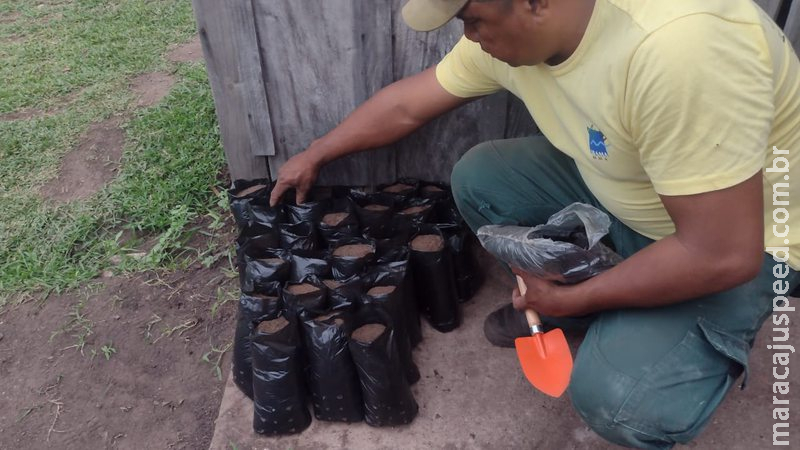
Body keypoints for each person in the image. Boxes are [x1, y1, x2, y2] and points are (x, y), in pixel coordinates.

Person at [269, 0, 800, 448]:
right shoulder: (514, 41)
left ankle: (598, 310)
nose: (470, 38)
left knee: (620, 403)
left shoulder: (677, 49)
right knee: (481, 176)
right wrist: (316, 153)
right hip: (634, 192)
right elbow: (409, 104)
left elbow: (722, 254)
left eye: (474, 20)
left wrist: (582, 299)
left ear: (536, 1)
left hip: (747, 241)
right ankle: (587, 301)